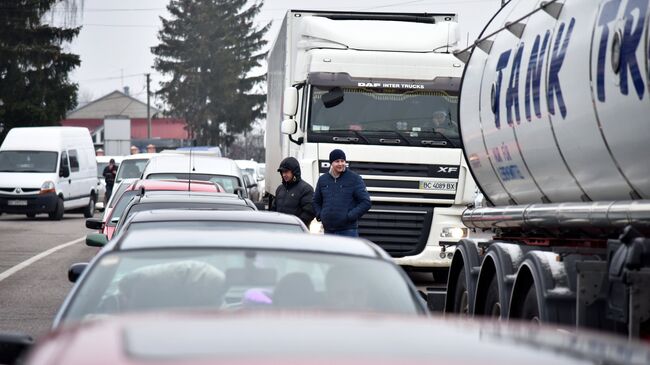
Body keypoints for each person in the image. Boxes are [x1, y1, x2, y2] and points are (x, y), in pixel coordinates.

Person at [313, 149, 371, 237]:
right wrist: (320, 215)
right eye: (337, 161)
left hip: (348, 231)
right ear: (331, 163)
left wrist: (350, 216)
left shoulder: (354, 178)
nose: (340, 164)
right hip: (328, 231)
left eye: (342, 161)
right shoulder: (323, 179)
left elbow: (366, 202)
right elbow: (316, 201)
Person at [270, 157, 315, 227]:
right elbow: (273, 210)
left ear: (294, 172)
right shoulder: (280, 189)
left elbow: (309, 212)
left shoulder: (306, 189)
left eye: (286, 171)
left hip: (297, 233)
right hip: (279, 230)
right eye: (282, 172)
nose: (284, 175)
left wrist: (295, 226)